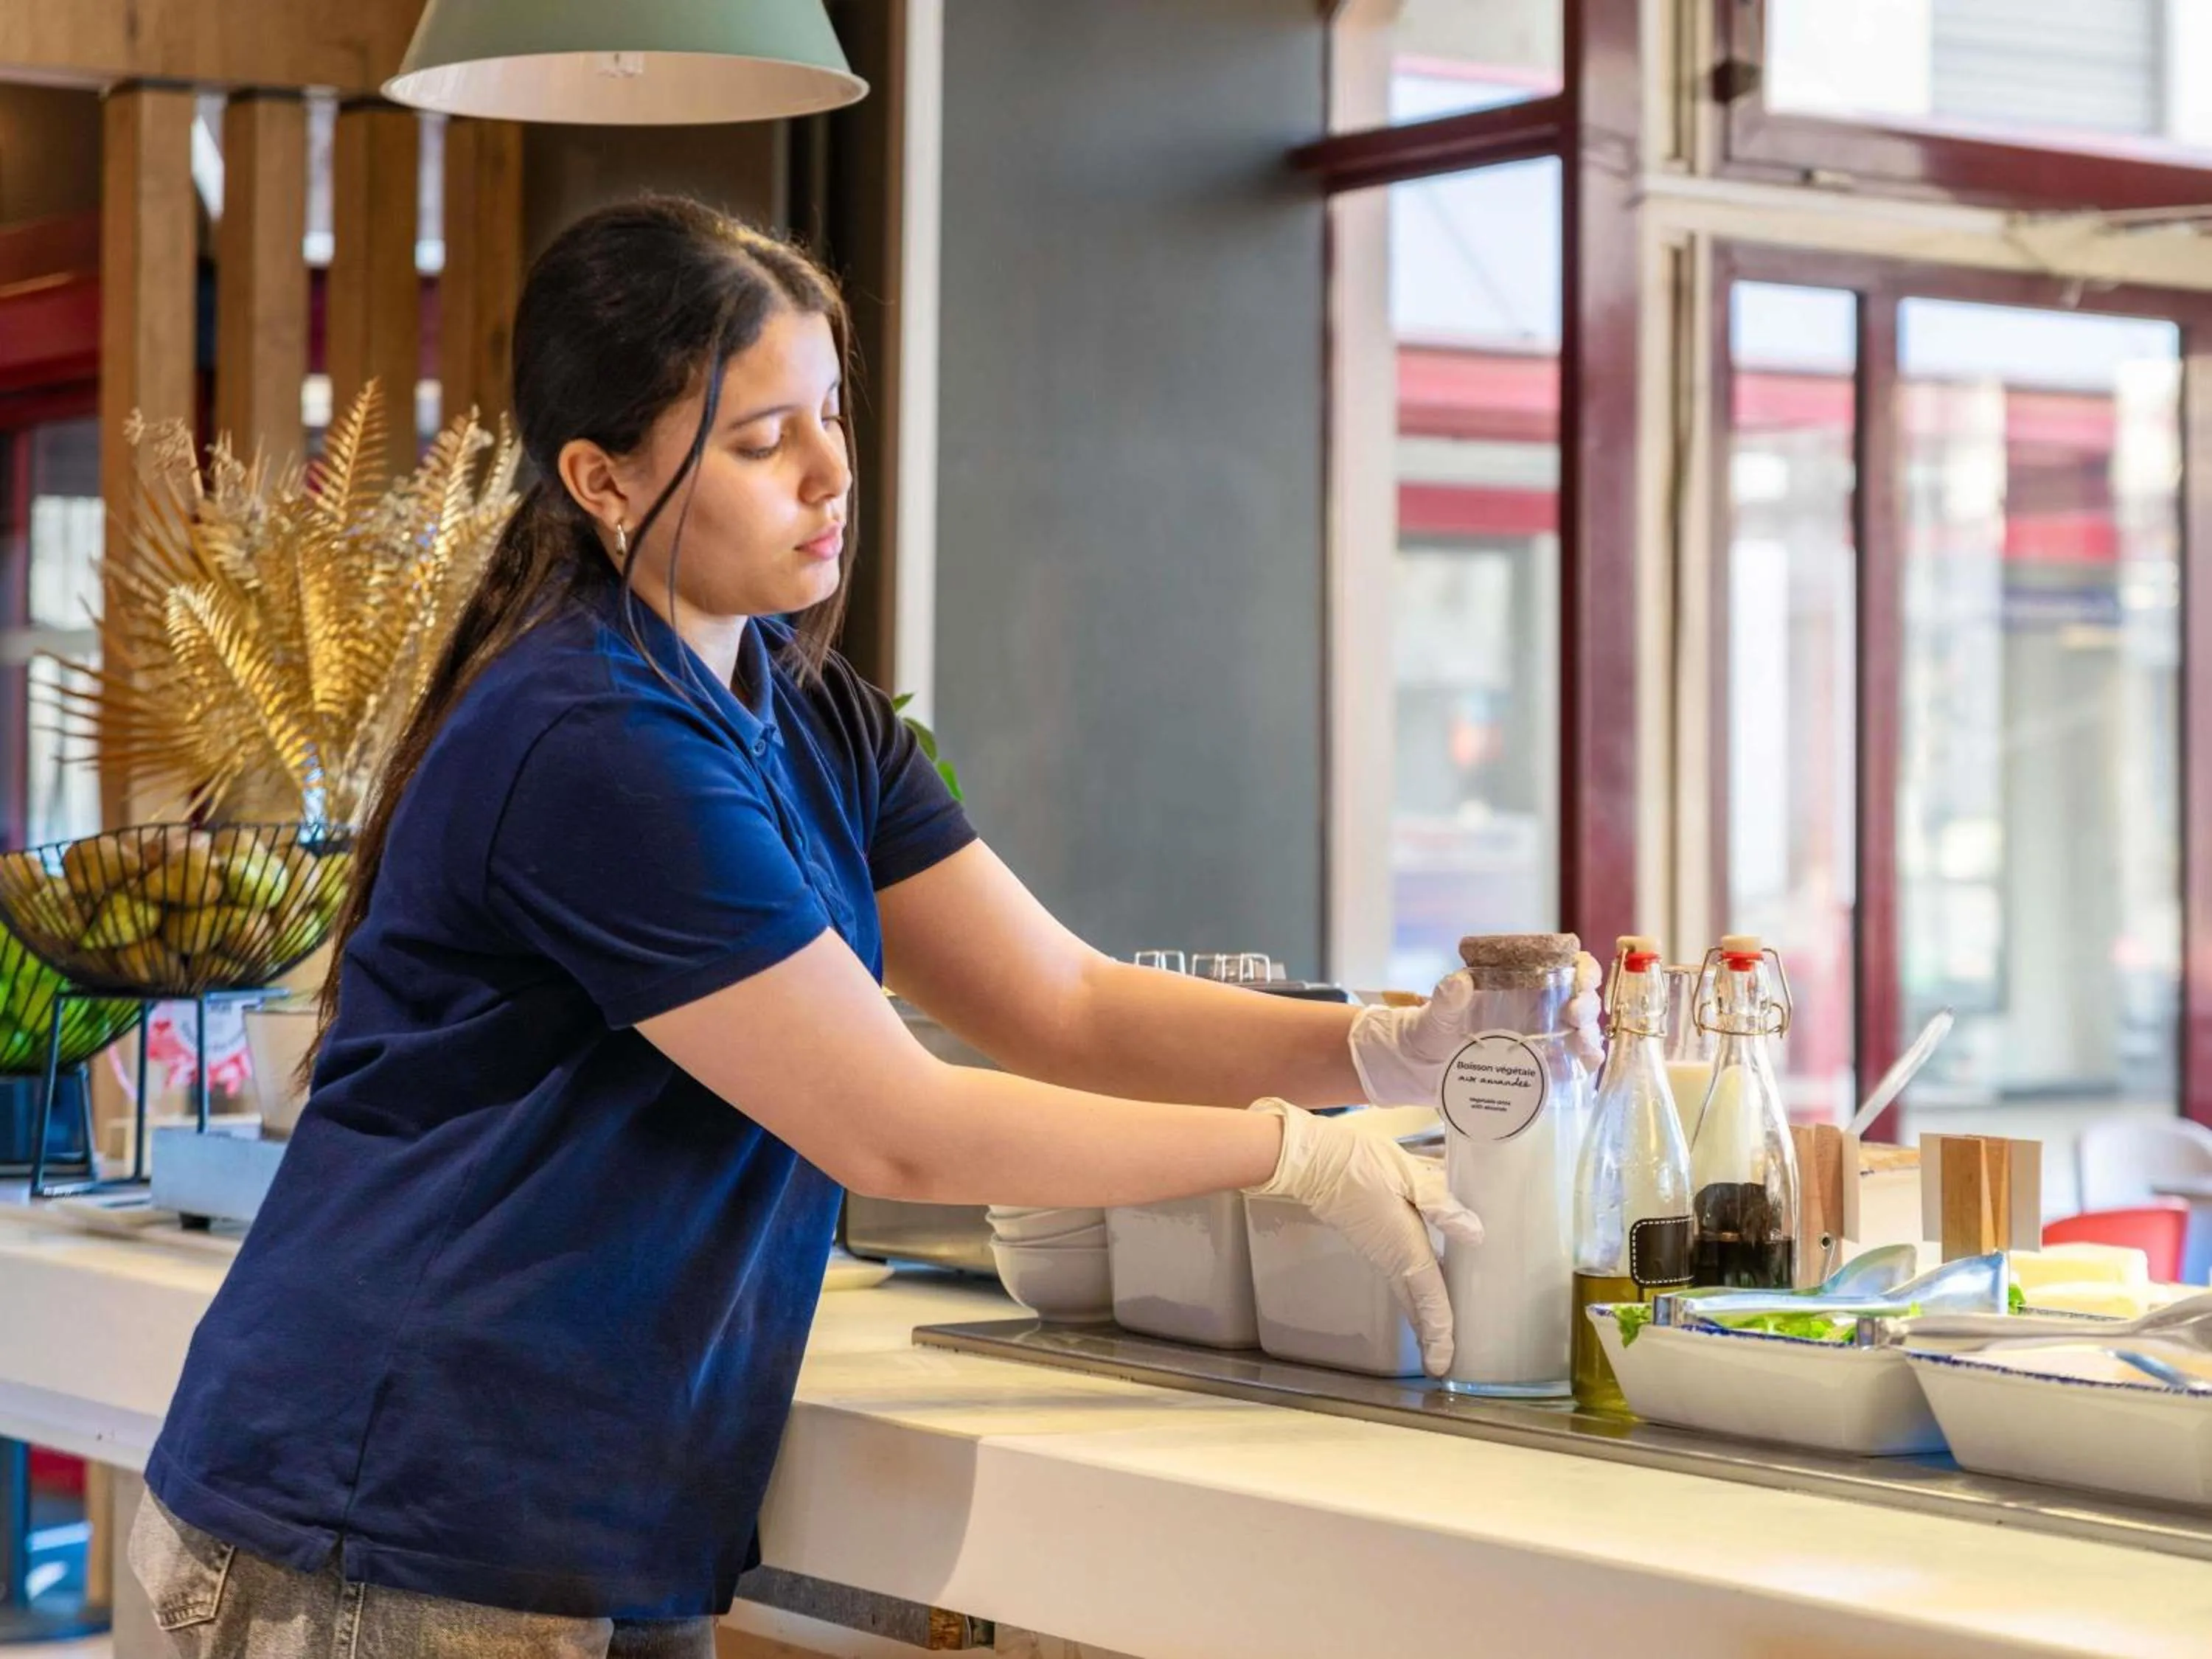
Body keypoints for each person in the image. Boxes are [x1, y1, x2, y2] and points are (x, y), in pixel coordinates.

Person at [127, 195, 1599, 1658]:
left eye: (830, 412)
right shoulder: (595, 739)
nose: (832, 470)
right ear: (601, 477)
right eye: (763, 440)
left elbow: (1065, 1002)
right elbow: (896, 1131)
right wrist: (1284, 1151)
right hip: (386, 1512)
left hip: (580, 1516)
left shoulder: (805, 704)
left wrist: (1382, 1050)